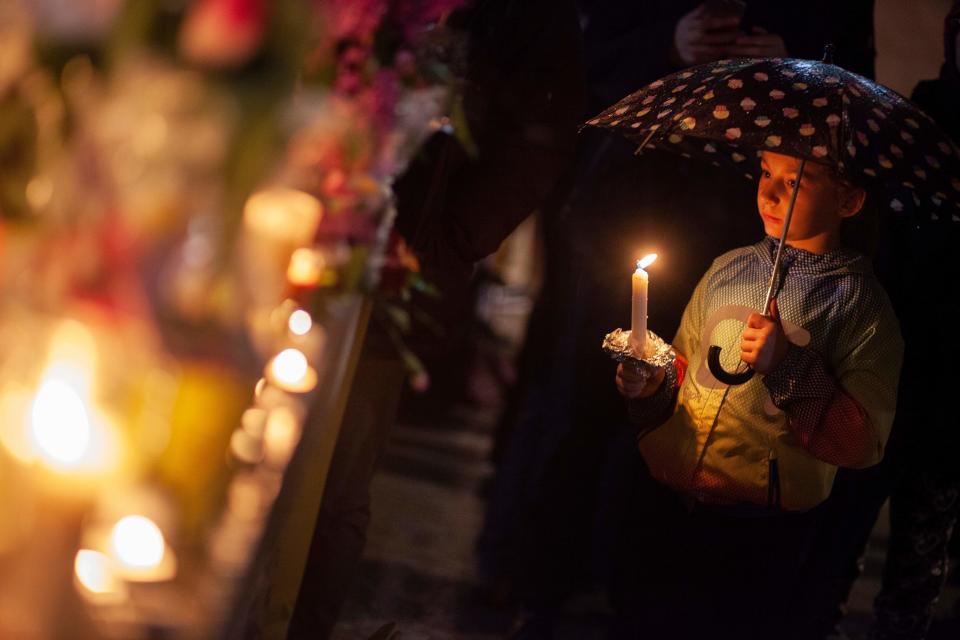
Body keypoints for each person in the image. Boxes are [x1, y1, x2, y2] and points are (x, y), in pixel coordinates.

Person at [614, 150, 903, 639]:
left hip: (762, 528)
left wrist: (786, 365)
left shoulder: (858, 306)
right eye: (766, 172)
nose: (769, 192)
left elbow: (861, 443)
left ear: (849, 200)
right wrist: (651, 384)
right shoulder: (728, 268)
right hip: (672, 504)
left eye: (796, 182)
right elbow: (685, 371)